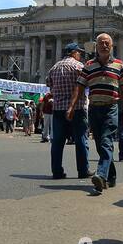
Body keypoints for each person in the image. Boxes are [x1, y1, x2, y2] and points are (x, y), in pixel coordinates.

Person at [71, 33, 123, 193]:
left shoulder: (119, 64)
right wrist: (72, 106)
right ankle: (112, 176)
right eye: (101, 43)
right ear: (96, 47)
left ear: (112, 46)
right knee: (100, 144)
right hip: (94, 108)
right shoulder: (89, 65)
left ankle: (101, 175)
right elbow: (80, 86)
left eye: (107, 43)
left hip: (111, 107)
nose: (104, 45)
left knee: (106, 141)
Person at [47, 43, 90, 180]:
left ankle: (57, 171)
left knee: (58, 141)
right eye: (79, 53)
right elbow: (87, 83)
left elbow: (49, 85)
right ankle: (83, 170)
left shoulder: (54, 68)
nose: (80, 55)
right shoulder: (79, 66)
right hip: (77, 108)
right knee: (81, 139)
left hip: (58, 109)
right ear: (73, 53)